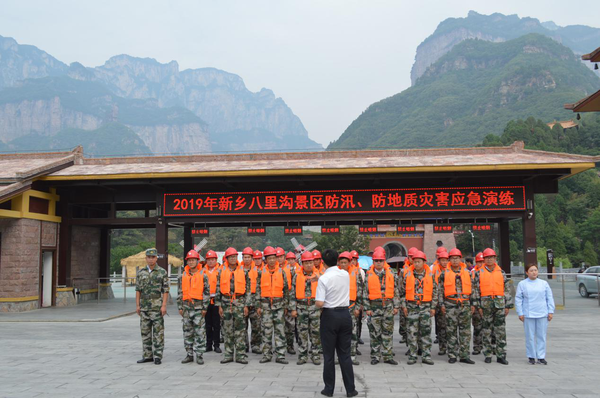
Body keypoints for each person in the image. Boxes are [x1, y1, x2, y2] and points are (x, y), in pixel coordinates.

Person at [316, 249, 358, 398]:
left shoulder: (323, 279)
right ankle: (350, 389)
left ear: (323, 262)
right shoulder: (345, 274)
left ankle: (329, 389)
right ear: (338, 261)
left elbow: (320, 303)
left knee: (328, 355)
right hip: (345, 315)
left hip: (330, 316)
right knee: (345, 354)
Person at [472, 248, 513, 365]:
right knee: (486, 330)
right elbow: (475, 290)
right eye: (487, 258)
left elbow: (507, 290)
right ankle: (488, 354)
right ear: (484, 259)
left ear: (495, 258)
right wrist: (478, 305)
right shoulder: (479, 273)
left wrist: (508, 305)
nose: (489, 259)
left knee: (500, 330)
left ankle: (501, 354)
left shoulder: (501, 273)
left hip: (499, 304)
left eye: (491, 257)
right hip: (485, 305)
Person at [399, 250, 437, 365]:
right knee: (412, 332)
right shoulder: (407, 275)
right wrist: (404, 306)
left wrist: (433, 307)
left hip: (425, 307)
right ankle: (412, 356)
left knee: (425, 332)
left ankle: (426, 355)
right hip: (412, 307)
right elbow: (402, 293)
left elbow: (435, 292)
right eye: (415, 262)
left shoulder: (430, 275)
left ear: (424, 262)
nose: (416, 264)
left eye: (419, 262)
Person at [438, 248, 475, 364]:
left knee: (465, 331)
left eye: (457, 258)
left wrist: (473, 303)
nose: (455, 260)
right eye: (452, 258)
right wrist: (441, 304)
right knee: (451, 330)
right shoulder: (444, 274)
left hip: (465, 304)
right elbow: (440, 290)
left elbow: (473, 290)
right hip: (450, 305)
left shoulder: (468, 273)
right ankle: (452, 354)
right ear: (449, 260)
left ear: (461, 259)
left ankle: (464, 355)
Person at [364, 249, 399, 365]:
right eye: (376, 260)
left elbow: (395, 291)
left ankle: (388, 355)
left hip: (388, 306)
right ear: (373, 261)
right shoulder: (368, 275)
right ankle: (375, 355)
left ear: (384, 261)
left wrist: (396, 306)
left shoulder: (391, 274)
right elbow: (365, 292)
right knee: (374, 333)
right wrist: (367, 308)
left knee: (387, 332)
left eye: (380, 260)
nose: (378, 263)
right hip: (374, 307)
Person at [256, 246, 290, 364]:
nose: (271, 260)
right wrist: (258, 306)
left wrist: (285, 306)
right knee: (266, 331)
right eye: (269, 258)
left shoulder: (282, 272)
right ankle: (266, 354)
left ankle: (280, 355)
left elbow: (286, 290)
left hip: (279, 306)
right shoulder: (260, 273)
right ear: (265, 259)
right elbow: (257, 290)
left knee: (280, 331)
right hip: (265, 307)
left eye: (273, 258)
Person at [515, 263, 555, 365]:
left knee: (541, 335)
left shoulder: (544, 283)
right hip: (528, 313)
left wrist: (550, 311)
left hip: (542, 313)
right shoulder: (522, 284)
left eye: (535, 270)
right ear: (527, 272)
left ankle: (541, 356)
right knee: (530, 336)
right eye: (531, 270)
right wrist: (520, 312)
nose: (534, 272)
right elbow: (518, 299)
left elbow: (549, 298)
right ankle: (531, 356)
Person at [135, 248, 169, 365]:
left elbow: (165, 290)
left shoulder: (162, 272)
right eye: (149, 257)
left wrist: (164, 305)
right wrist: (137, 305)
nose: (151, 259)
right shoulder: (141, 273)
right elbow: (138, 290)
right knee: (145, 332)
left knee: (158, 333)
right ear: (146, 258)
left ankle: (158, 355)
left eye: (153, 257)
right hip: (144, 308)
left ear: (156, 258)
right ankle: (147, 355)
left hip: (157, 307)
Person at [216, 247, 250, 364]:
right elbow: (217, 289)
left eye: (234, 256)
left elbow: (248, 290)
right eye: (230, 257)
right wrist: (219, 305)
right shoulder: (220, 271)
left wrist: (246, 305)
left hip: (240, 303)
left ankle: (241, 355)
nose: (232, 258)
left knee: (240, 330)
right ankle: (228, 354)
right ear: (226, 258)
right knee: (227, 330)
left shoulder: (244, 271)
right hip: (225, 303)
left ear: (237, 257)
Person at [177, 250, 210, 364]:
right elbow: (179, 292)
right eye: (189, 260)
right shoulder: (182, 276)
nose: (191, 262)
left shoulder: (203, 275)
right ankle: (189, 354)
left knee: (200, 332)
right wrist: (180, 307)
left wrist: (205, 307)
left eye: (193, 260)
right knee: (187, 332)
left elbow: (207, 293)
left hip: (198, 309)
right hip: (186, 308)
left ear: (197, 261)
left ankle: (199, 355)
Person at [290, 250, 321, 365]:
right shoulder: (296, 276)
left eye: (310, 262)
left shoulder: (319, 276)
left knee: (315, 333)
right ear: (302, 264)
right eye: (306, 262)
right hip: (301, 308)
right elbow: (292, 293)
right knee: (302, 333)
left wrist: (322, 308)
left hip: (315, 308)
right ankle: (303, 355)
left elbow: (323, 293)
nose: (308, 264)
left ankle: (315, 355)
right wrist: (293, 309)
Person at [241, 247, 262, 354]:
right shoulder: (238, 270)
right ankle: (244, 345)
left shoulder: (258, 271)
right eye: (245, 257)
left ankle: (255, 345)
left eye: (249, 257)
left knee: (256, 326)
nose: (247, 259)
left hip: (254, 301)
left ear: (252, 258)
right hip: (242, 302)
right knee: (242, 326)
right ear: (242, 258)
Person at [346, 251, 363, 365]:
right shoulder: (336, 273)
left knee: (353, 331)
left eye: (353, 259)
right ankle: (340, 356)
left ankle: (352, 355)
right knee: (340, 334)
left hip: (352, 306)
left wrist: (358, 307)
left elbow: (361, 291)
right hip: (339, 308)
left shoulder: (357, 273)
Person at [431, 247, 448, 355]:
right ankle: (442, 347)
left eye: (446, 260)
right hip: (437, 301)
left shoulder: (453, 270)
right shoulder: (432, 269)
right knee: (441, 325)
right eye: (442, 259)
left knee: (450, 326)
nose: (444, 262)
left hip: (451, 301)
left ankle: (452, 346)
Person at [470, 252, 485, 355]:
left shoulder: (490, 272)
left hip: (487, 302)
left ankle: (490, 346)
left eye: (482, 262)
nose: (481, 264)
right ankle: (477, 346)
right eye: (479, 262)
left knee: (489, 327)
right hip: (476, 302)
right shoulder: (472, 272)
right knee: (477, 326)